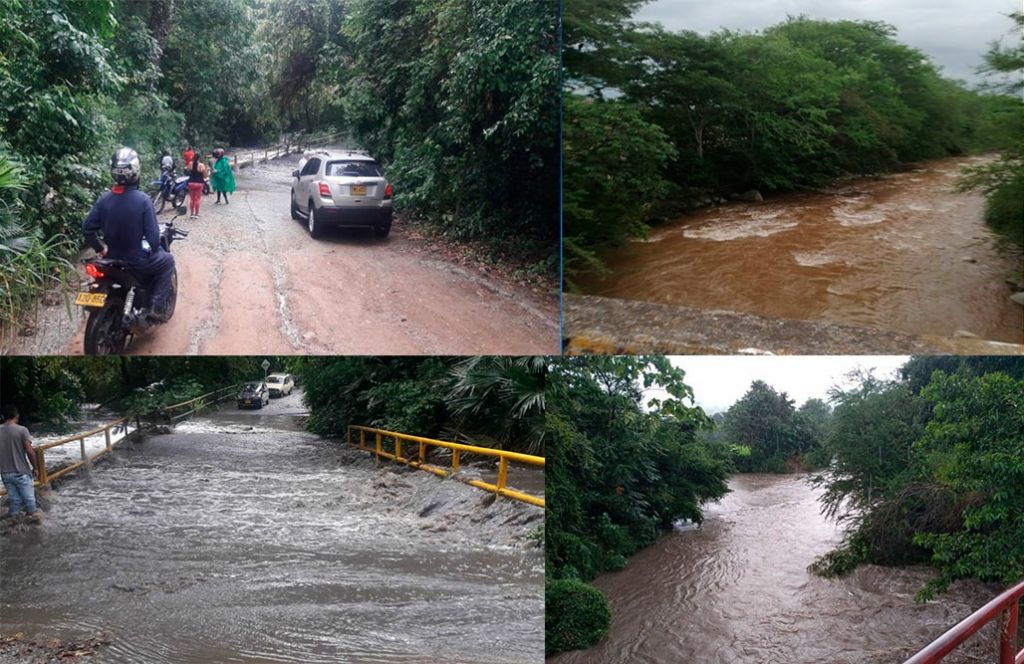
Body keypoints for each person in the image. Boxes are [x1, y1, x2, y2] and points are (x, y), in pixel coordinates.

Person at [83, 147, 176, 324]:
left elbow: (87, 228)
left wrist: (101, 248)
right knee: (168, 261)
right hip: (135, 260)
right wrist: (153, 248)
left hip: (110, 258)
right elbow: (154, 241)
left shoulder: (104, 199)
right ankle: (155, 308)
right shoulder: (143, 200)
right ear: (135, 171)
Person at [0, 405, 41, 524]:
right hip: (21, 471)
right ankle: (33, 530)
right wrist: (35, 467)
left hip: (5, 473)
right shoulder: (22, 430)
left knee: (15, 500)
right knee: (29, 501)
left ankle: (13, 526)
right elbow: (29, 451)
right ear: (16, 415)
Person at [187, 154, 206, 218]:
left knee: (192, 199)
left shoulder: (190, 164)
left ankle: (191, 214)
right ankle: (196, 214)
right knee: (197, 199)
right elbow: (204, 175)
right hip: (199, 183)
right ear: (199, 158)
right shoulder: (201, 165)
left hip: (191, 182)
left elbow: (188, 170)